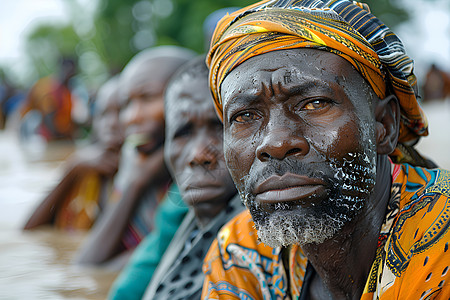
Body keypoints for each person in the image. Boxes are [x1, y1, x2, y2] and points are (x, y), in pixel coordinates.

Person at [202, 1, 450, 299]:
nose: (276, 143)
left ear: (384, 124)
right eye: (245, 116)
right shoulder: (239, 252)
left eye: (314, 103)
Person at [109, 56, 244, 300]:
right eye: (183, 133)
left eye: (218, 128)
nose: (198, 154)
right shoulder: (186, 215)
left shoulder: (261, 238)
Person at [74, 46, 194, 267]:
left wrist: (137, 182)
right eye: (127, 104)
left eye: (147, 98)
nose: (131, 117)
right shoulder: (131, 166)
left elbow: (92, 268)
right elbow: (87, 265)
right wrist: (136, 181)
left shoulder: (203, 183)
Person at [23, 76, 124, 231]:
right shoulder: (86, 168)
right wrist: (72, 167)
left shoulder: (139, 175)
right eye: (103, 114)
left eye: (122, 111)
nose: (111, 123)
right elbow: (29, 231)